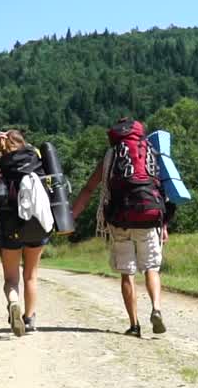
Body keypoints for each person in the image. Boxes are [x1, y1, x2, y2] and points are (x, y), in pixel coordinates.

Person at [71, 118, 170, 338]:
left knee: (128, 273)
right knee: (152, 268)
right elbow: (162, 188)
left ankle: (134, 325)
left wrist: (70, 217)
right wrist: (164, 224)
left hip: (120, 218)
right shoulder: (151, 151)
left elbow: (88, 189)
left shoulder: (111, 156)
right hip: (150, 216)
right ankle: (156, 308)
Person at [0, 130, 53, 336]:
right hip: (36, 226)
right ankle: (29, 319)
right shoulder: (36, 159)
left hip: (9, 226)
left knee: (11, 279)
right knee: (31, 275)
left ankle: (13, 303)